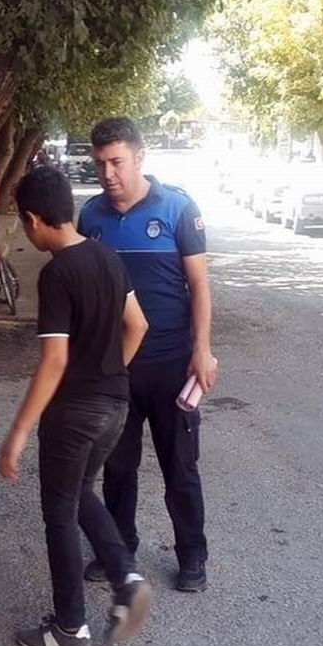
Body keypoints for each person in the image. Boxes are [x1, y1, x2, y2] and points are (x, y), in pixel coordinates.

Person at [0, 166, 154, 646]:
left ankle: (69, 628)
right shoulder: (107, 257)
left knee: (58, 514)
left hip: (75, 414)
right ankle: (126, 579)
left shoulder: (58, 272)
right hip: (116, 405)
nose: (28, 233)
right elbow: (139, 326)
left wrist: (18, 432)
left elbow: (56, 360)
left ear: (33, 218)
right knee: (80, 492)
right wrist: (108, 372)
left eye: (26, 225)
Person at [79, 117, 217, 593]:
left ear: (139, 157)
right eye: (100, 163)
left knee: (180, 467)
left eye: (116, 161)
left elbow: (198, 284)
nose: (108, 173)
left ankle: (192, 555)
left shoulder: (177, 208)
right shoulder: (91, 217)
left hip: (172, 364)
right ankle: (118, 549)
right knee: (117, 468)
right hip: (115, 368)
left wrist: (202, 350)